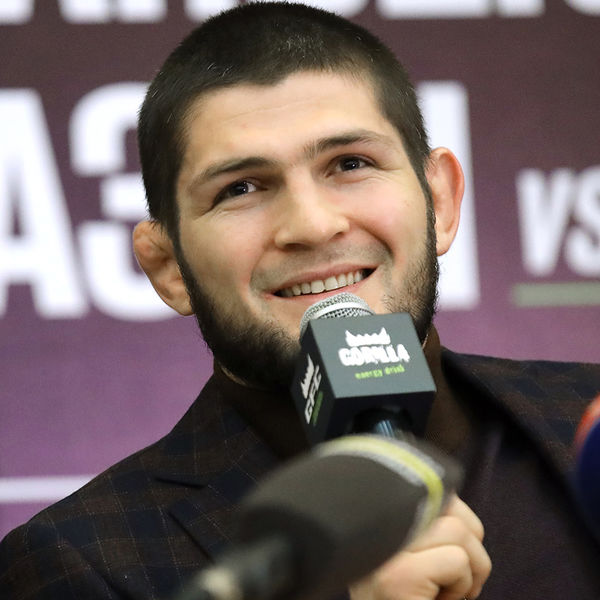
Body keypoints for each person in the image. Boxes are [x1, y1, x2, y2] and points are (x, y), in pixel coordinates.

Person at [1, 2, 599, 599]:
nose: (312, 225)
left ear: (439, 201)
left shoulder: (588, 420)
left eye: (351, 163)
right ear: (168, 267)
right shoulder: (76, 562)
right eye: (241, 188)